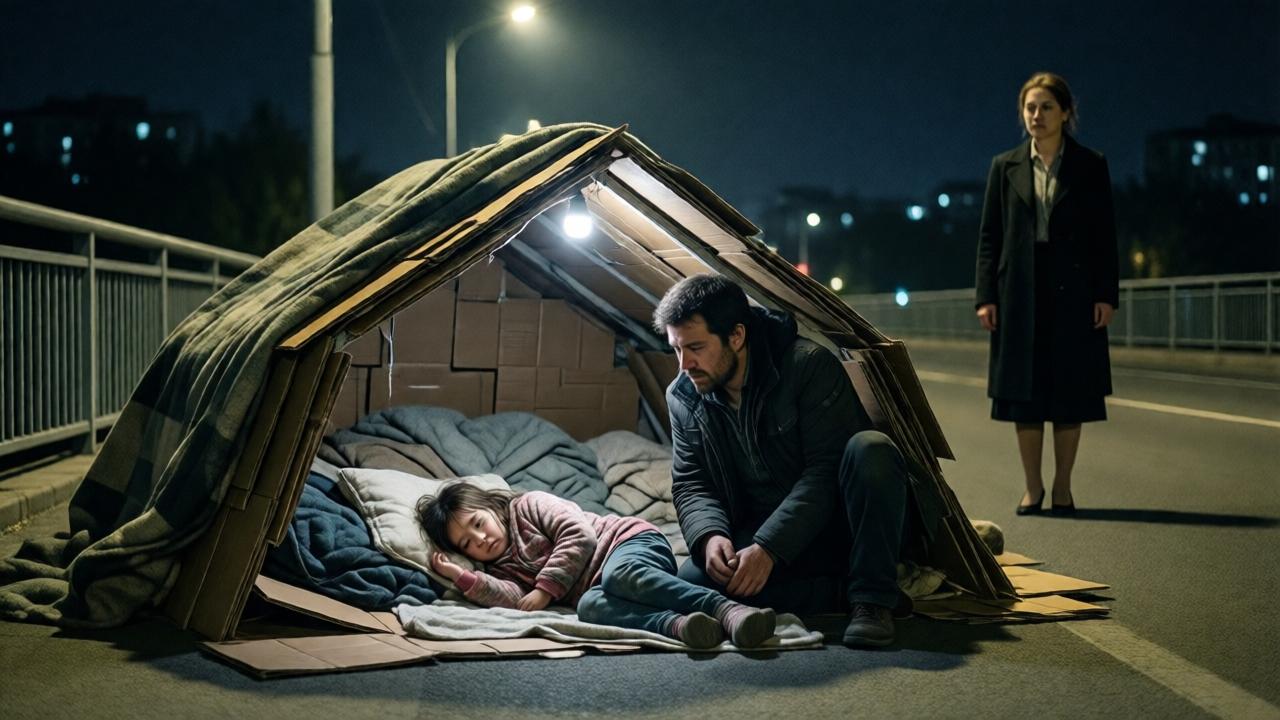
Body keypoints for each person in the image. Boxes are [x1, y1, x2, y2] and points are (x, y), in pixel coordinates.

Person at [653, 274, 944, 648]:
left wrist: (770, 548)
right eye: (676, 349)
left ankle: (872, 598)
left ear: (736, 336)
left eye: (695, 347)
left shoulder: (807, 366)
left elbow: (823, 473)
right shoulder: (684, 396)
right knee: (692, 584)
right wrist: (711, 537)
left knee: (871, 450)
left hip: (836, 528)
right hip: (764, 533)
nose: (684, 364)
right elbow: (693, 482)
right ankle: (837, 593)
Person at [974, 72, 1119, 517]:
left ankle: (1063, 487)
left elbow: (1104, 236)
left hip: (1073, 291)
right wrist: (986, 296)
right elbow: (989, 236)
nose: (1036, 116)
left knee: (1070, 390)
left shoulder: (1090, 164)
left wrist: (1105, 295)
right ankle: (1032, 488)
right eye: (1030, 108)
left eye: (1046, 107)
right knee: (1025, 393)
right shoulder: (1006, 166)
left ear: (1066, 113)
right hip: (1018, 290)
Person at [419, 482, 777, 649]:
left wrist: (545, 590)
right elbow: (515, 600)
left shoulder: (528, 505)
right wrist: (463, 577)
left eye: (478, 524)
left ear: (491, 508)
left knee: (617, 575)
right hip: (601, 587)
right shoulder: (497, 568)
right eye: (467, 543)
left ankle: (725, 609)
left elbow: (580, 535)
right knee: (588, 607)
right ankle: (683, 627)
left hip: (629, 545)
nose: (479, 540)